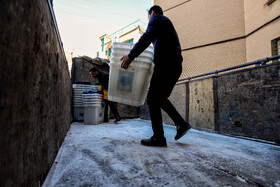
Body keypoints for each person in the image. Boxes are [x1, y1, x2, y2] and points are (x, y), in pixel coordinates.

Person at [121, 5, 191, 147]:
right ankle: (181, 124)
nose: (148, 20)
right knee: (159, 99)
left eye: (148, 17)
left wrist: (130, 56)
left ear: (151, 13)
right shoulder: (164, 24)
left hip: (167, 64)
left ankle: (159, 137)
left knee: (153, 99)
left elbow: (146, 37)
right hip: (174, 65)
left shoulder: (157, 19)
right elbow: (149, 41)